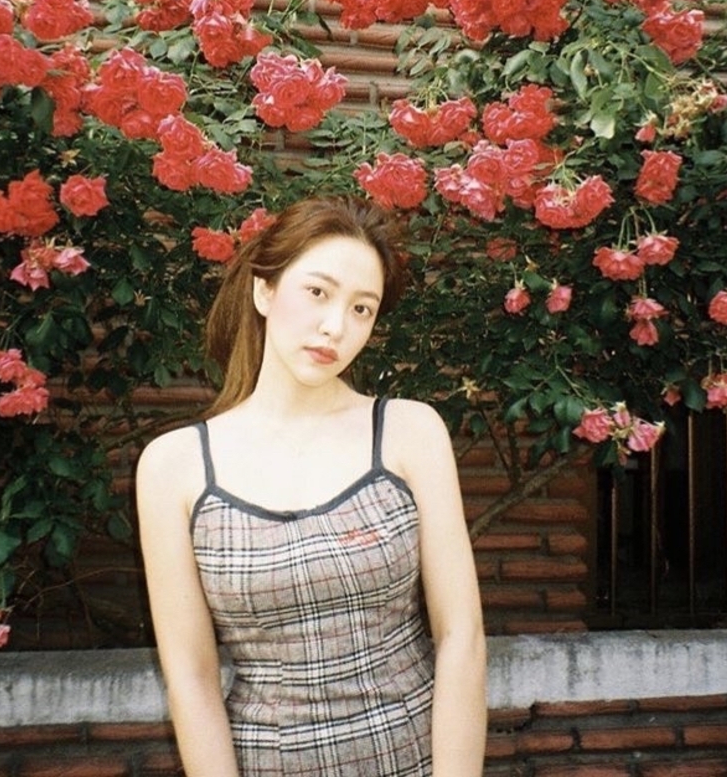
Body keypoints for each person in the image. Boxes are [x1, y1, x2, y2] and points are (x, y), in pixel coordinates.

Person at [136, 194, 487, 776]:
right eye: (318, 292)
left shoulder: (410, 432)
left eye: (362, 308)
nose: (335, 327)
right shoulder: (174, 467)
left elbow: (462, 637)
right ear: (264, 290)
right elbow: (192, 679)